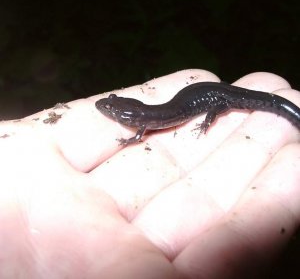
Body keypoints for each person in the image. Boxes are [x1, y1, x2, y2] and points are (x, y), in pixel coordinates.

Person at [0, 70, 299, 278]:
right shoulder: (143, 121)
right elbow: (138, 133)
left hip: (220, 98)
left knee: (246, 102)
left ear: (131, 113)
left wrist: (207, 120)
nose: (107, 109)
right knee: (252, 99)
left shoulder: (142, 122)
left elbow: (139, 134)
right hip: (207, 93)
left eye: (113, 110)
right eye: (112, 110)